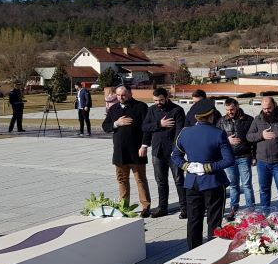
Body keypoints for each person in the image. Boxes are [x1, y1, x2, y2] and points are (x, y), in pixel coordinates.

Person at [171, 100, 235, 249]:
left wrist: (188, 166)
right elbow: (229, 160)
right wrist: (207, 167)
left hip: (192, 183)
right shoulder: (218, 133)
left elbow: (175, 156)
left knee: (193, 221)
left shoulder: (185, 133)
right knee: (214, 221)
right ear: (211, 116)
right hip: (213, 182)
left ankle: (193, 251)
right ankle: (212, 251)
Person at [101, 85, 152, 218]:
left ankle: (146, 206)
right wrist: (116, 123)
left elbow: (147, 128)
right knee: (122, 180)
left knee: (140, 179)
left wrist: (144, 145)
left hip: (137, 150)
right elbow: (105, 126)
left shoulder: (141, 107)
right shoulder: (113, 108)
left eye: (123, 95)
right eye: (118, 95)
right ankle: (124, 206)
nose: (120, 98)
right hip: (120, 151)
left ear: (130, 93)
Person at [141, 88, 187, 218]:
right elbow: (144, 127)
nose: (158, 102)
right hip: (157, 151)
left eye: (161, 100)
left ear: (166, 97)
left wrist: (176, 151)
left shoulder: (177, 110)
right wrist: (159, 124)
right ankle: (163, 208)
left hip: (174, 152)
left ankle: (185, 208)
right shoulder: (151, 110)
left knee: (179, 180)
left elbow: (180, 132)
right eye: (155, 100)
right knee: (161, 181)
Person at [247, 96, 278, 212]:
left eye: (269, 108)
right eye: (264, 108)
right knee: (264, 189)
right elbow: (249, 136)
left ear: (275, 105)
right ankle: (265, 212)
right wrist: (261, 135)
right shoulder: (258, 119)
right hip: (262, 161)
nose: (267, 110)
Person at [219, 98, 256, 218]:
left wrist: (254, 156)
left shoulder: (248, 119)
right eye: (227, 110)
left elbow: (253, 140)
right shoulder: (221, 121)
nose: (230, 112)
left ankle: (251, 210)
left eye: (232, 109)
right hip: (229, 158)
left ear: (237, 107)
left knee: (247, 185)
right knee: (233, 185)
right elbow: (217, 139)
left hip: (244, 156)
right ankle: (233, 209)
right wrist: (227, 141)